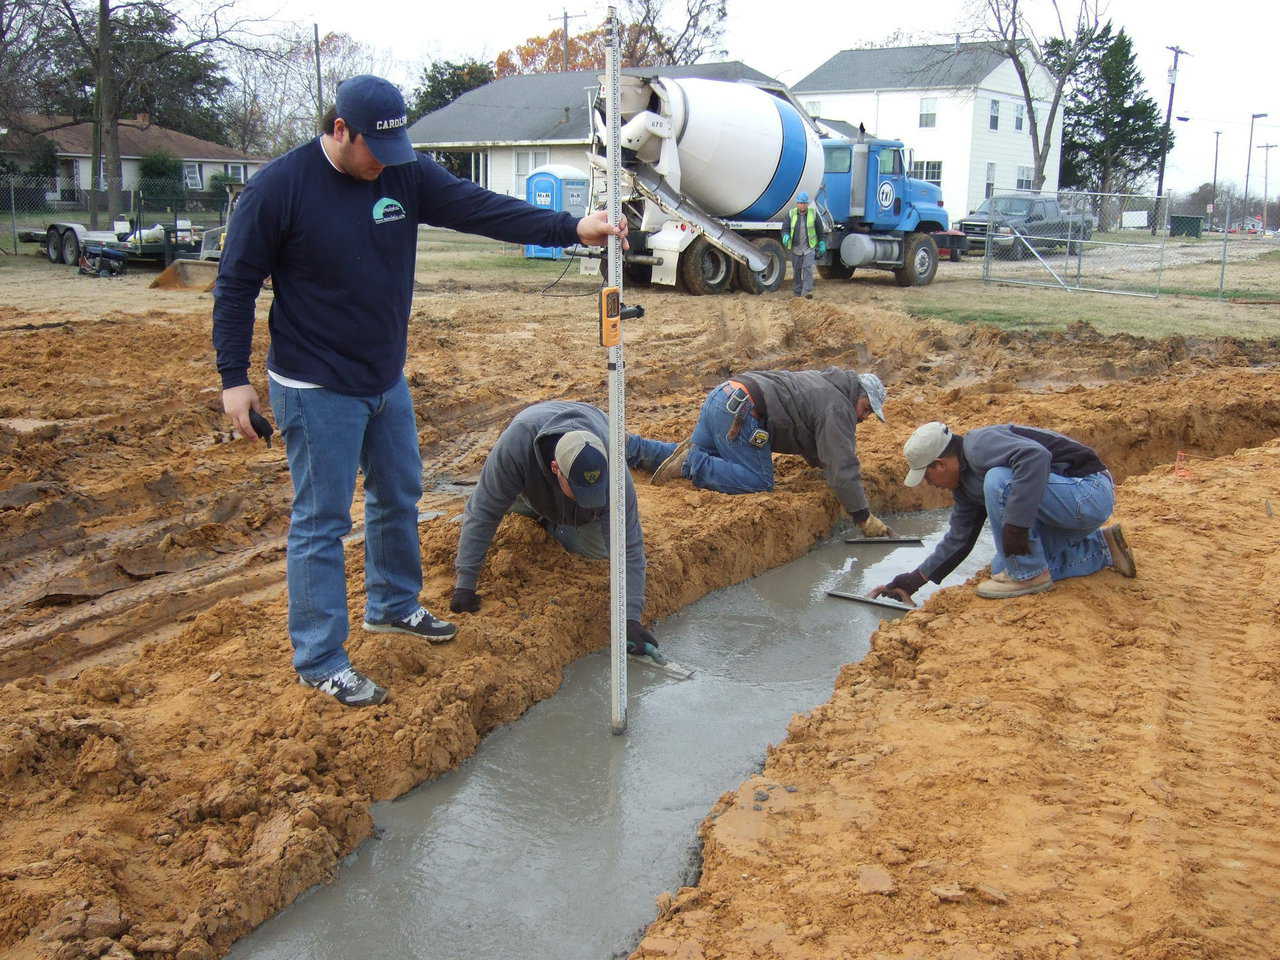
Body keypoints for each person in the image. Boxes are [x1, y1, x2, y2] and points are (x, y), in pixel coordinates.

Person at [212, 75, 627, 708]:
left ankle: (393, 604)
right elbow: (236, 284)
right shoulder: (279, 189)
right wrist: (233, 380)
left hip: (383, 375)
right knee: (322, 521)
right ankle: (320, 659)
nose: (386, 162)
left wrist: (571, 227)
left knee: (398, 491)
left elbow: (480, 208)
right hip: (314, 382)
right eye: (375, 150)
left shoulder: (400, 173)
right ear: (340, 130)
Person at [449, 401, 659, 656]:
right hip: (529, 486)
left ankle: (556, 522)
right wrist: (465, 584)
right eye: (581, 492)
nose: (588, 496)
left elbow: (628, 544)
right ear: (555, 469)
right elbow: (483, 512)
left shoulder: (613, 467)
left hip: (582, 476)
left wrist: (630, 618)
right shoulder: (516, 446)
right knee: (491, 503)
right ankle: (538, 510)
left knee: (599, 549)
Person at [870, 421, 1137, 603]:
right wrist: (913, 580)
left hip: (1088, 492)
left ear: (939, 464)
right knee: (1002, 567)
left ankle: (1030, 576)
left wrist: (1016, 526)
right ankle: (1103, 548)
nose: (929, 484)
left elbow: (1035, 457)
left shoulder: (978, 446)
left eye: (927, 476)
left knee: (999, 479)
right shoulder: (964, 488)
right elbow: (958, 540)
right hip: (1066, 508)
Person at [627, 370, 893, 538]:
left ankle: (631, 448)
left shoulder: (825, 384)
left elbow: (820, 446)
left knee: (697, 454)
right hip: (743, 413)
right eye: (866, 408)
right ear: (856, 395)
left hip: (724, 395)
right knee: (758, 481)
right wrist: (862, 515)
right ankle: (690, 463)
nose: (863, 417)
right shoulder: (839, 407)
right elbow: (841, 463)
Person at [780, 191, 826, 298]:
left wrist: (822, 242)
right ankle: (797, 293)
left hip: (809, 248)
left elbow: (820, 231)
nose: (802, 205)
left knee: (808, 269)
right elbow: (785, 228)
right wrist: (785, 236)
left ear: (807, 204)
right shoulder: (791, 214)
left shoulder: (813, 214)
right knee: (797, 271)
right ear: (797, 203)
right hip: (796, 248)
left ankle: (806, 293)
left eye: (804, 203)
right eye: (800, 203)